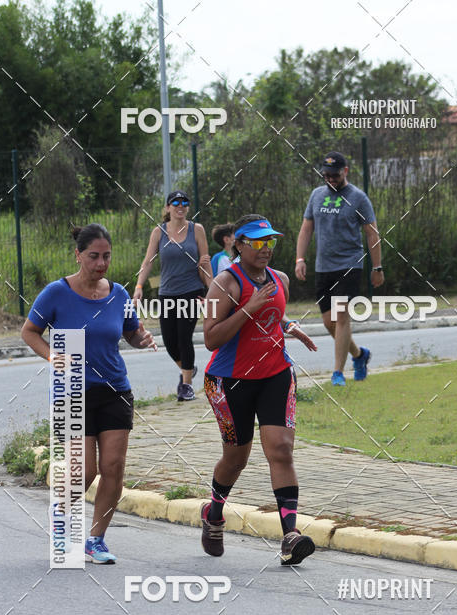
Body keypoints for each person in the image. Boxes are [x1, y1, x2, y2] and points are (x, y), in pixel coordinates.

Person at [21, 223, 156, 564]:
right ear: (78, 255)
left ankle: (96, 540)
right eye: (94, 256)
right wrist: (54, 356)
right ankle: (62, 521)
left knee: (114, 467)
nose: (101, 264)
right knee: (85, 470)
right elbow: (30, 331)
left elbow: (131, 332)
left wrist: (142, 339)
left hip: (115, 389)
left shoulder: (120, 294)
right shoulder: (56, 292)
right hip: (72, 391)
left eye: (106, 256)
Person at [201, 214, 318, 565]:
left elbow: (274, 312)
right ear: (238, 244)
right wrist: (247, 309)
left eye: (271, 242)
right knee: (236, 458)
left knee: (281, 449)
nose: (266, 249)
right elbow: (210, 337)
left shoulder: (280, 278)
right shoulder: (222, 284)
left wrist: (290, 326)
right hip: (228, 381)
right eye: (257, 242)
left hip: (275, 373)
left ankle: (290, 536)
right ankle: (214, 512)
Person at [295, 150, 385, 385]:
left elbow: (371, 233)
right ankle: (359, 355)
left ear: (345, 171)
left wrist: (377, 267)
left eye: (334, 174)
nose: (330, 179)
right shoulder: (316, 195)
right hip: (323, 266)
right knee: (328, 322)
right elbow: (306, 229)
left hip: (349, 264)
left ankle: (337, 373)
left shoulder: (358, 198)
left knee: (341, 315)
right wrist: (300, 259)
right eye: (326, 175)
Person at [134, 190, 212, 401]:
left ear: (188, 207)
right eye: (175, 202)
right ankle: (188, 368)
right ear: (168, 208)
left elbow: (204, 262)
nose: (180, 206)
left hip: (192, 291)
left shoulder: (197, 230)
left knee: (184, 337)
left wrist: (212, 289)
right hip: (167, 293)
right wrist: (139, 285)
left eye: (184, 202)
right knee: (169, 341)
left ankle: (186, 386)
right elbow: (148, 261)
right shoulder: (159, 232)